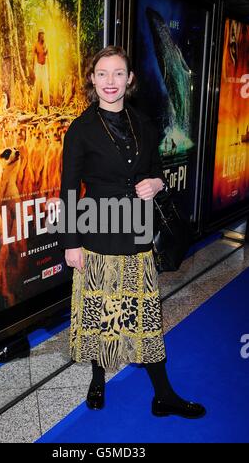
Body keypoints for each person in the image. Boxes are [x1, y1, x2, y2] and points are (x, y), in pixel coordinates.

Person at [58, 45, 205, 418]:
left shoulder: (144, 123)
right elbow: (70, 190)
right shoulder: (81, 130)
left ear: (130, 79)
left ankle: (164, 395)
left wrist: (156, 183)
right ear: (92, 79)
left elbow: (155, 170)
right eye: (103, 74)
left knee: (144, 317)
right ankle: (97, 377)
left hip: (137, 232)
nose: (110, 81)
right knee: (99, 312)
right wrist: (71, 243)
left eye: (118, 73)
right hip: (99, 232)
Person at [32, 28, 50, 113]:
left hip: (45, 67)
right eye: (41, 34)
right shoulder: (36, 45)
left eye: (44, 34)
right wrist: (32, 69)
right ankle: (35, 107)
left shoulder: (46, 45)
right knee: (37, 86)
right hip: (38, 67)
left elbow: (48, 58)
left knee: (45, 86)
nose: (43, 36)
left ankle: (48, 107)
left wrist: (49, 72)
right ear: (39, 36)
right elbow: (33, 58)